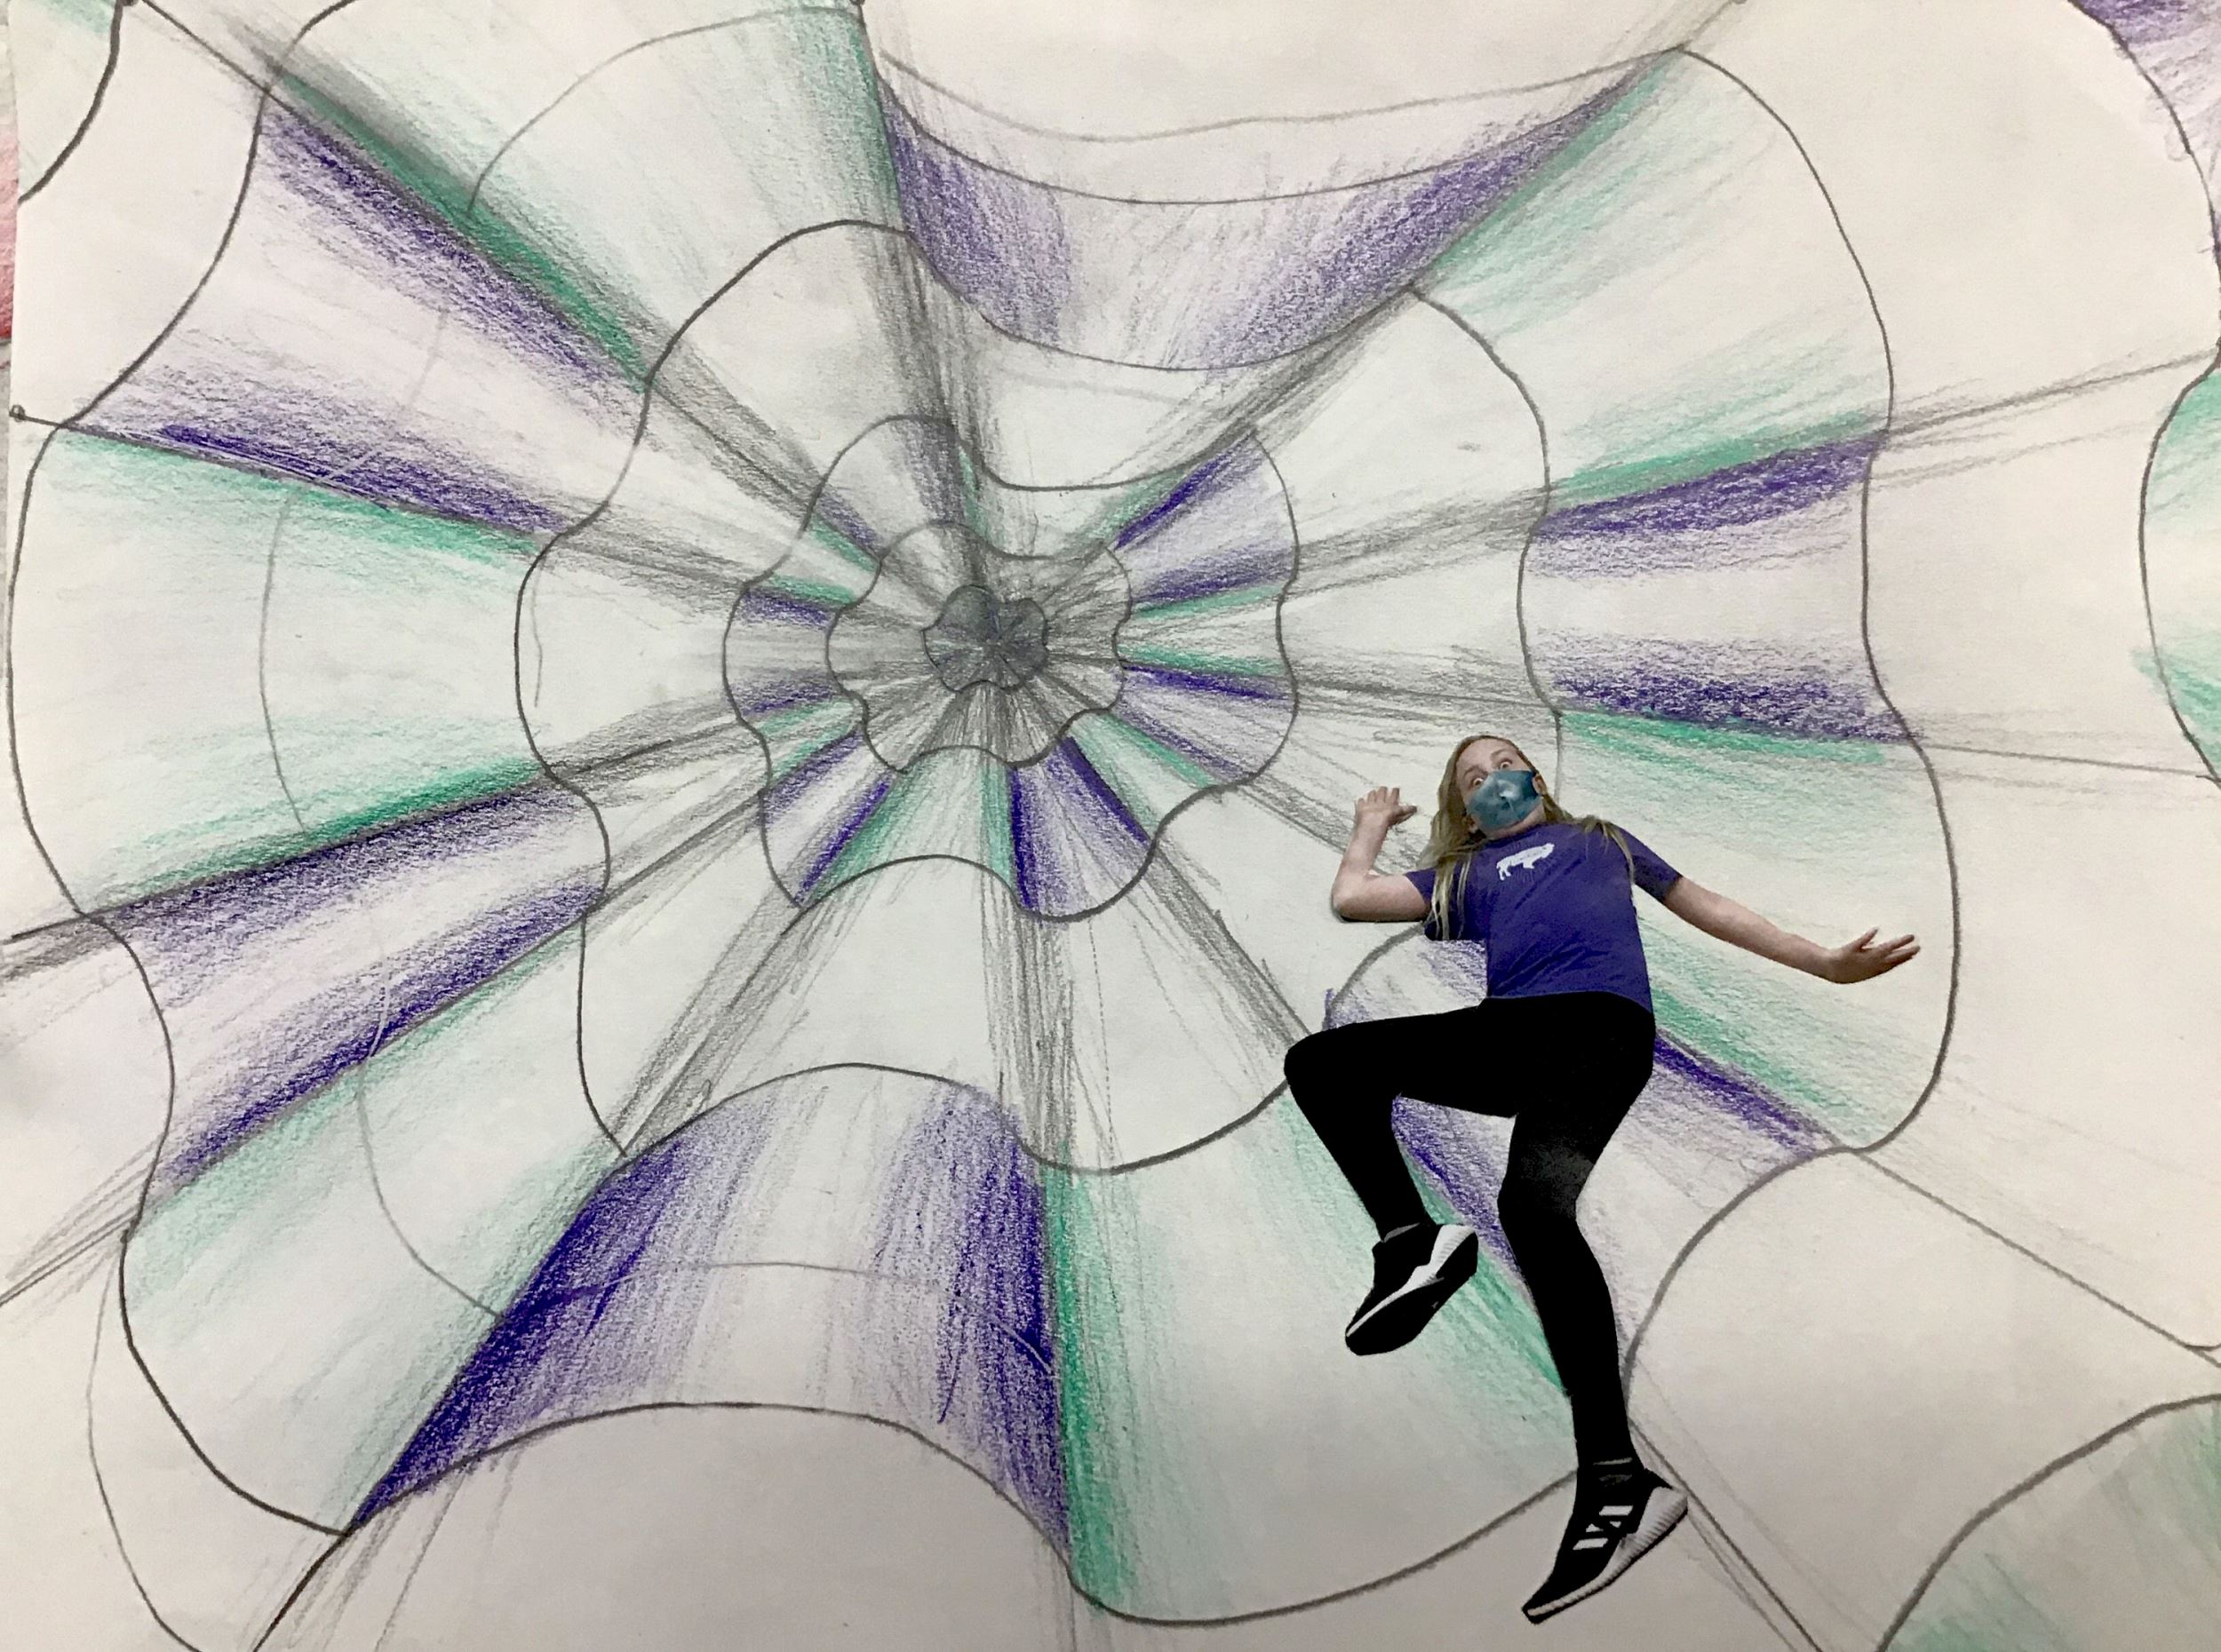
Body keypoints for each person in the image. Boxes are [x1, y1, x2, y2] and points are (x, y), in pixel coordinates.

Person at [1282, 732, 1918, 1623]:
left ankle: (1610, 1477)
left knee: (1531, 1207)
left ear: (1536, 777)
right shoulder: (1466, 877)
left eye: (1503, 764)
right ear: (1466, 812)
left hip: (1596, 1036)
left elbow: (1706, 904)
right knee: (1328, 1065)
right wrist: (1369, 825)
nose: (1494, 781)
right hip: (1507, 1034)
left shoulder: (1599, 840)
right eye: (1473, 780)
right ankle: (1413, 1246)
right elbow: (1353, 899)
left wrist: (1822, 961)